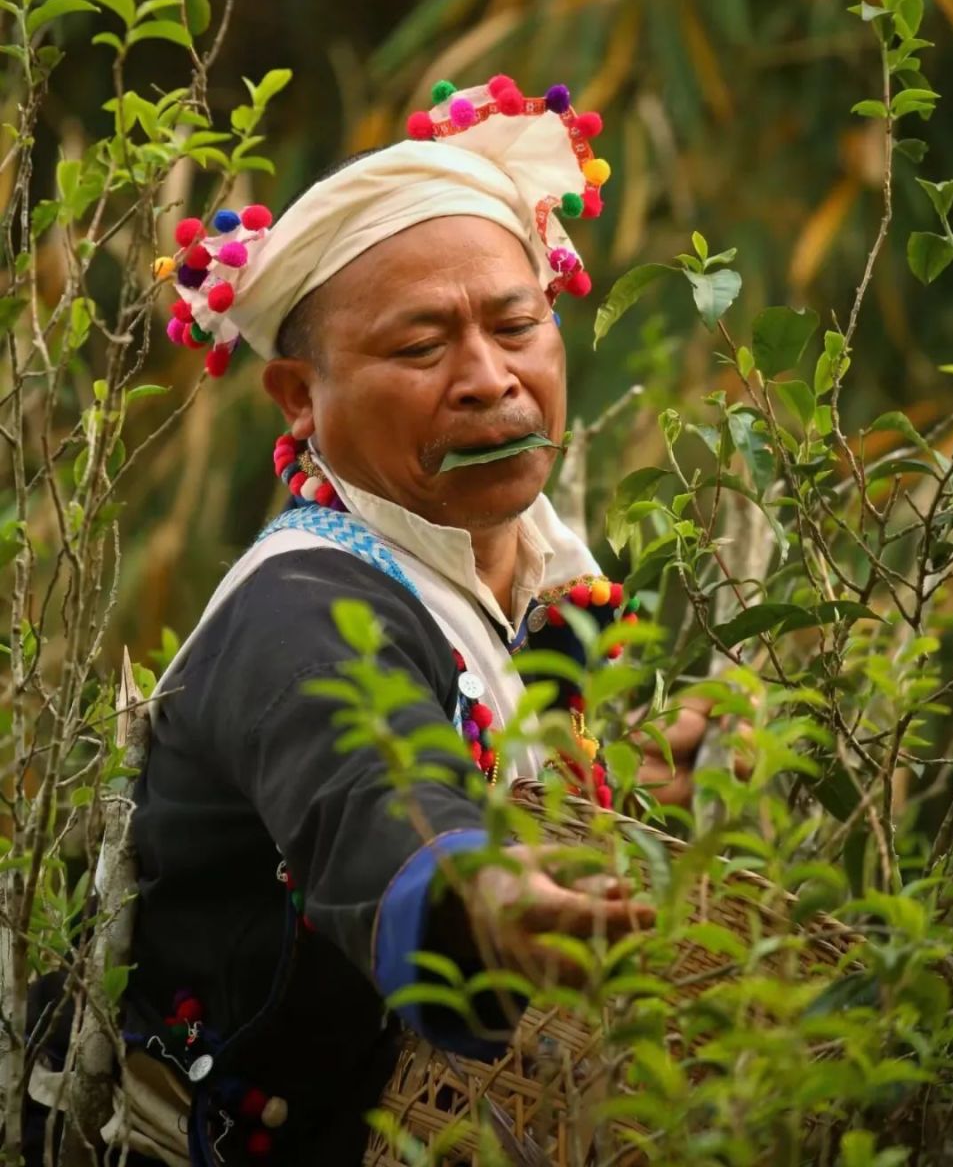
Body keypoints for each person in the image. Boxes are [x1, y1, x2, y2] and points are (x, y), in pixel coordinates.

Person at [108, 76, 711, 1167]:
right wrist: (482, 899)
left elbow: (592, 794)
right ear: (298, 396)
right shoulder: (300, 612)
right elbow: (372, 797)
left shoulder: (549, 587)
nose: (490, 380)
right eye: (421, 347)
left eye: (517, 324)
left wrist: (672, 784)